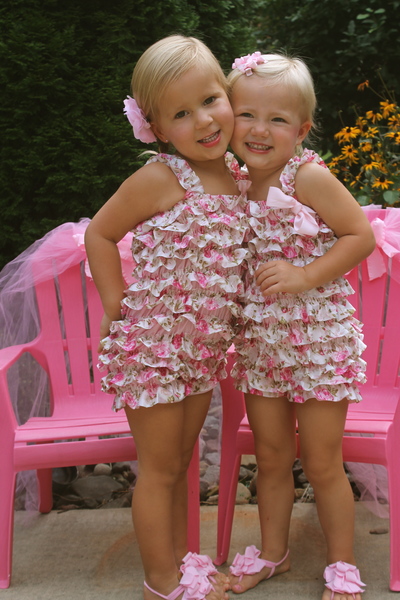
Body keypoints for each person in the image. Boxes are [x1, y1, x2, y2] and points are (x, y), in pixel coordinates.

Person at [85, 35, 248, 600]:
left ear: (228, 95)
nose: (203, 120)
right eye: (181, 114)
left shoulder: (240, 174)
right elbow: (100, 233)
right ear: (154, 127)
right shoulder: (162, 178)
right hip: (152, 349)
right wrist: (117, 305)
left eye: (210, 100)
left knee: (181, 461)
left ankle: (183, 563)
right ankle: (160, 581)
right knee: (158, 468)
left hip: (199, 351)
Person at [226, 52, 376, 600]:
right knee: (270, 455)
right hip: (262, 345)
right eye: (246, 115)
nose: (259, 130)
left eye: (278, 119)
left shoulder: (307, 177)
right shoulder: (231, 184)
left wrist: (306, 274)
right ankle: (274, 552)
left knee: (321, 459)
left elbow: (360, 235)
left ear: (303, 129)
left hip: (318, 342)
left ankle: (341, 562)